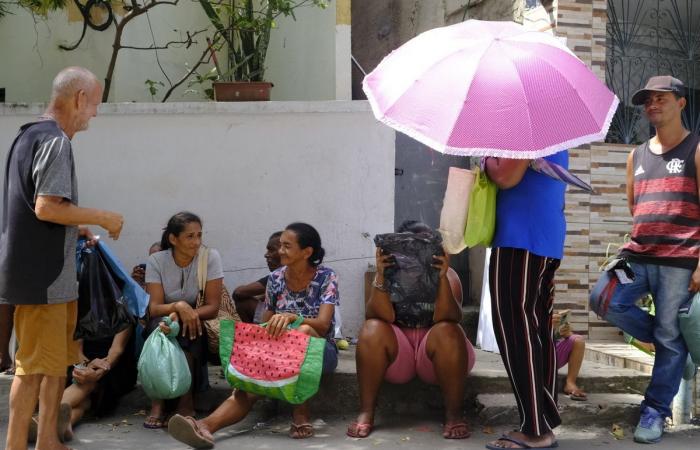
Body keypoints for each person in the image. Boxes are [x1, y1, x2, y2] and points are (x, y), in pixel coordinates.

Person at [0, 66, 124, 450]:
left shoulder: (29, 135)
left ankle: (48, 439)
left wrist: (77, 230)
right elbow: (46, 207)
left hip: (49, 275)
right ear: (79, 98)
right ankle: (17, 443)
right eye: (96, 104)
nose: (95, 114)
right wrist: (102, 217)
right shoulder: (56, 142)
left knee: (56, 363)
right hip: (44, 277)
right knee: (34, 366)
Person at [590, 75, 699, 444]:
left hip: (680, 261)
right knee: (603, 297)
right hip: (636, 255)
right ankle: (673, 348)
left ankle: (655, 410)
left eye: (660, 99)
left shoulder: (696, 149)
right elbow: (635, 206)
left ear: (681, 103)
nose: (652, 105)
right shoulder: (635, 155)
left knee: (670, 336)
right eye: (647, 101)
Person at [166, 222, 339, 447]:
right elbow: (264, 325)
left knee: (304, 331)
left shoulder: (326, 276)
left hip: (319, 351)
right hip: (280, 351)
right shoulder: (276, 278)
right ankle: (205, 427)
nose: (280, 251)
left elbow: (323, 325)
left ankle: (300, 413)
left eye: (287, 246)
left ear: (307, 252)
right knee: (247, 387)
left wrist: (290, 318)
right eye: (281, 246)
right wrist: (250, 362)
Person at [347, 220, 476, 439]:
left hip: (437, 354)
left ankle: (453, 415)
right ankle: (366, 412)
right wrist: (381, 275)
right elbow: (379, 316)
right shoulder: (387, 274)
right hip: (399, 356)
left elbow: (450, 317)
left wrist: (442, 278)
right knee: (371, 328)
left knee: (448, 329)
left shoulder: (450, 276)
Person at [483, 149, 568, 450]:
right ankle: (541, 420)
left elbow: (506, 175)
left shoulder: (522, 125)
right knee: (535, 330)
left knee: (516, 331)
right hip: (542, 236)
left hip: (521, 237)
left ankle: (535, 430)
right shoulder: (546, 122)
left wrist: (485, 160)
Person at [143, 211, 223, 428]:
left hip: (197, 318)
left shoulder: (210, 257)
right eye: (190, 236)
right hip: (163, 318)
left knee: (189, 327)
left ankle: (185, 402)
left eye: (199, 235)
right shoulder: (156, 261)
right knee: (158, 328)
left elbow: (213, 307)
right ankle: (158, 402)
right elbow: (155, 307)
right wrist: (178, 307)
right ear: (173, 239)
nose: (196, 242)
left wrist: (186, 313)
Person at [232, 231, 282, 323]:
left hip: (289, 322)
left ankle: (252, 335)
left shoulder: (279, 275)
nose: (266, 255)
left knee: (243, 303)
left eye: (272, 250)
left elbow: (238, 293)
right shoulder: (278, 277)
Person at [552, 311, 587, 401]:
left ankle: (570, 382)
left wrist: (566, 332)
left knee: (578, 340)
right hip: (532, 355)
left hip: (552, 355)